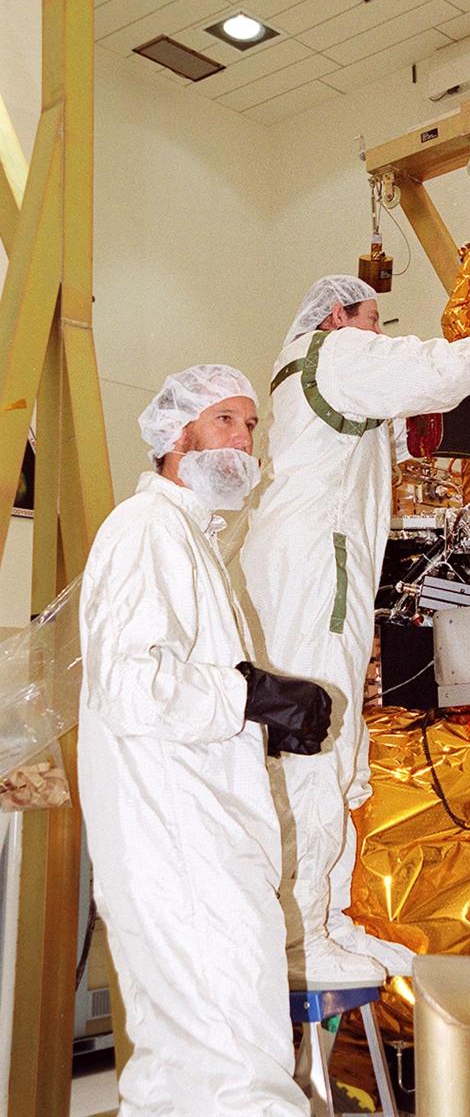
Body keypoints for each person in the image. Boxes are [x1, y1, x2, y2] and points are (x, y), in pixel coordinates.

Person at [241, 276, 470, 988]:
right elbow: (432, 370)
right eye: (370, 320)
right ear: (338, 316)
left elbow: (398, 441)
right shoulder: (337, 352)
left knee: (330, 738)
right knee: (317, 740)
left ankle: (326, 920)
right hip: (318, 567)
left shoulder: (312, 376)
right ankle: (302, 934)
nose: (375, 334)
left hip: (305, 562)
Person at [78, 364, 330, 1117]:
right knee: (237, 1066)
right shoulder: (149, 528)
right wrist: (250, 694)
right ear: (174, 433)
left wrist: (257, 718)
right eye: (225, 419)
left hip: (192, 835)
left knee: (183, 1075)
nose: (243, 439)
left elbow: (178, 689)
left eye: (252, 425)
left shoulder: (186, 537)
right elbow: (132, 685)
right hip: (183, 843)